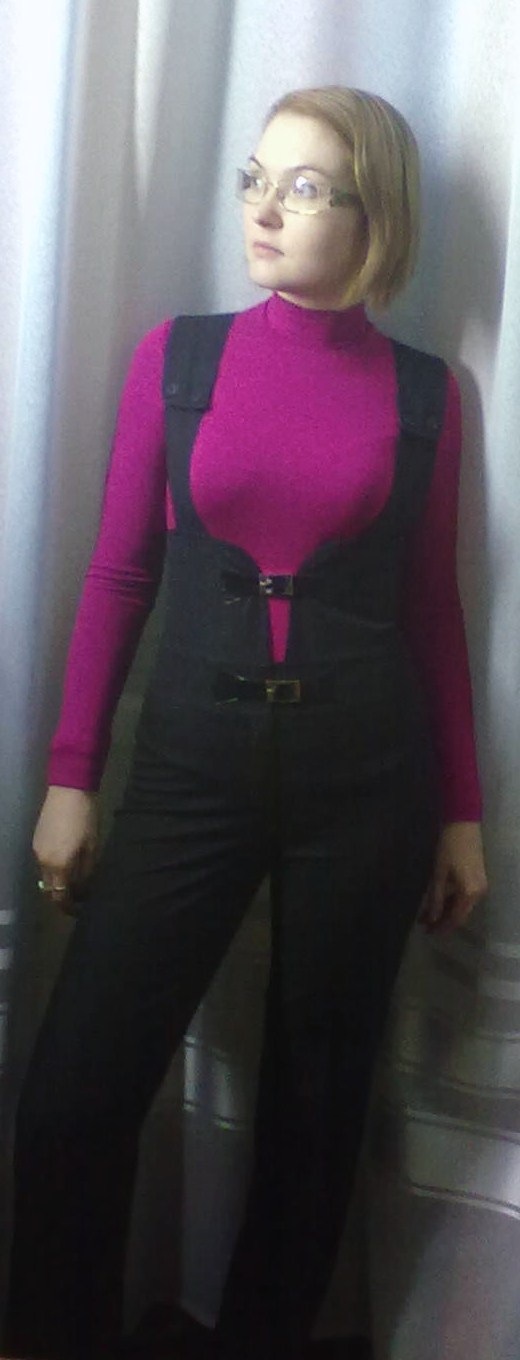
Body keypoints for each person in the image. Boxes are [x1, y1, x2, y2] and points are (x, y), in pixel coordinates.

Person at [4, 86, 488, 1360]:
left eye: (306, 187)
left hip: (365, 782)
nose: (265, 208)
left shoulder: (429, 396)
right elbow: (120, 570)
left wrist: (459, 812)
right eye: (254, 178)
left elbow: (431, 609)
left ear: (375, 217)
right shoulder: (180, 359)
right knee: (73, 1096)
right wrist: (71, 773)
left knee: (316, 1114)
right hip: (191, 768)